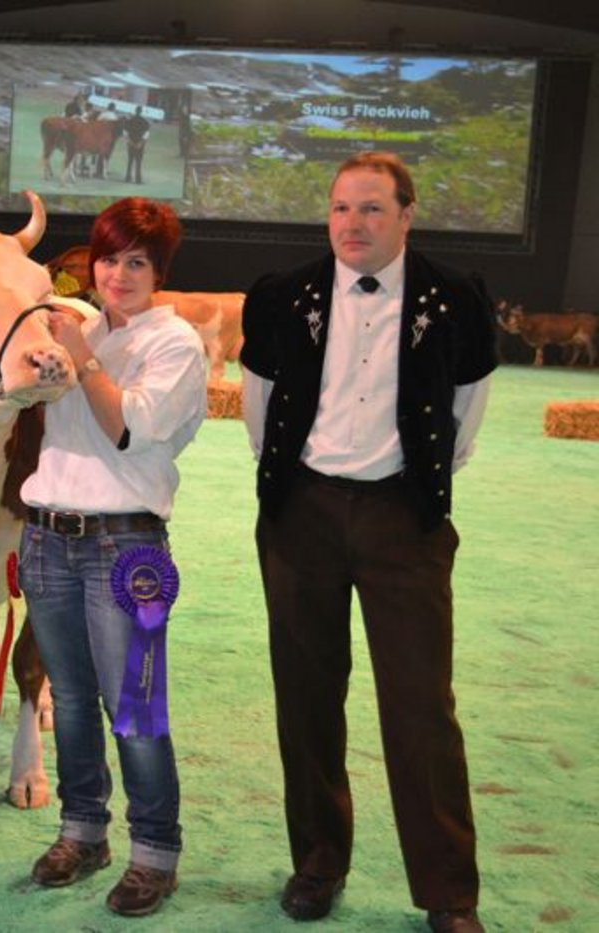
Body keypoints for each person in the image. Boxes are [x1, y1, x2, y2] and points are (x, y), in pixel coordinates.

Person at [239, 151, 495, 933]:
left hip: (403, 521)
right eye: (342, 208)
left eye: (373, 209)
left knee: (422, 709)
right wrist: (302, 489)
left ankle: (449, 894)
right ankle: (318, 861)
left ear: (407, 214)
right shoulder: (283, 297)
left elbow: (465, 413)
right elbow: (260, 408)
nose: (354, 223)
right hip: (302, 516)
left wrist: (406, 482)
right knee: (307, 697)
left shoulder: (457, 299)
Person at [19, 197, 206, 917]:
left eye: (136, 261)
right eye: (107, 258)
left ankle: (155, 850)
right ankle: (83, 829)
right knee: (67, 701)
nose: (118, 274)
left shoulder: (175, 344)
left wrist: (83, 357)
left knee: (135, 708)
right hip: (46, 537)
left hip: (128, 547)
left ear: (158, 271)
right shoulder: (75, 328)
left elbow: (127, 428)